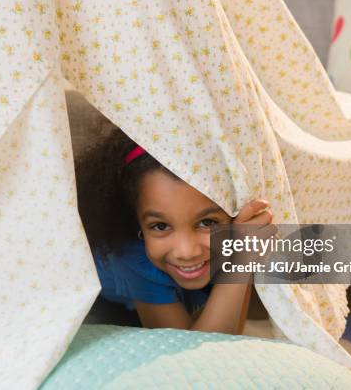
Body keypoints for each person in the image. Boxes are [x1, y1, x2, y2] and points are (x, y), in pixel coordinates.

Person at [75, 127, 276, 335]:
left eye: (207, 222)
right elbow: (194, 351)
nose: (186, 251)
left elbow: (234, 327)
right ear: (136, 221)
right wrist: (241, 261)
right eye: (160, 226)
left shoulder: (237, 233)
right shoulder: (130, 257)